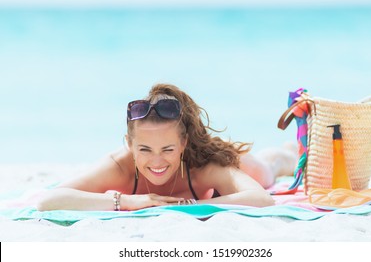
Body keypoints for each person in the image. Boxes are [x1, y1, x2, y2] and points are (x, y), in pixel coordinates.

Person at [37, 83, 296, 211]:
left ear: (183, 143)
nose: (157, 161)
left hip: (219, 151)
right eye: (145, 149)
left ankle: (288, 152)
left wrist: (191, 206)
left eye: (168, 150)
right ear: (129, 144)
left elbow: (262, 199)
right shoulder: (119, 166)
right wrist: (125, 201)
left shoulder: (202, 163)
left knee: (265, 172)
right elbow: (48, 201)